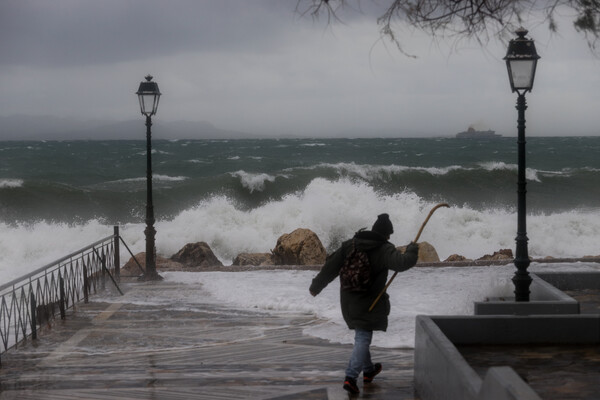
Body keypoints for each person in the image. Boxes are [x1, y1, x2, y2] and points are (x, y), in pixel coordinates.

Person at [309, 213, 419, 395]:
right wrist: (412, 249)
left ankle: (368, 371)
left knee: (362, 334)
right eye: (389, 235)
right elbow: (402, 263)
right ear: (386, 234)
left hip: (348, 301)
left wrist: (316, 286)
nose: (389, 238)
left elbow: (330, 267)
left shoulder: (350, 244)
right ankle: (350, 377)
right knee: (363, 338)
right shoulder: (384, 249)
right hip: (368, 303)